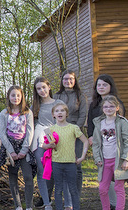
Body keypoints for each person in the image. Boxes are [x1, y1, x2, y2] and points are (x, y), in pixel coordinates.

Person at [86, 74, 127, 208]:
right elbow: (91, 125)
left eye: (105, 84)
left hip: (117, 155)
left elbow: (125, 138)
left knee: (117, 186)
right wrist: (91, 136)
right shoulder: (94, 107)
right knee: (103, 187)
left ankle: (116, 205)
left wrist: (127, 158)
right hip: (103, 155)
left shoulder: (120, 115)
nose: (101, 87)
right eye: (99, 85)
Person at [43, 101, 88, 210]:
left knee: (73, 189)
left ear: (66, 113)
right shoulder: (51, 129)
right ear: (53, 114)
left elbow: (85, 141)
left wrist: (82, 157)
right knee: (58, 189)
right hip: (56, 163)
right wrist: (49, 145)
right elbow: (44, 146)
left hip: (71, 163)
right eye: (57, 111)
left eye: (62, 110)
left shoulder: (73, 128)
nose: (60, 113)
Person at [52, 69, 87, 207]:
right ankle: (65, 201)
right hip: (59, 133)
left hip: (75, 132)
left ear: (75, 80)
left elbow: (83, 115)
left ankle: (75, 197)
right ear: (62, 81)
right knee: (61, 166)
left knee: (76, 165)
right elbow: (54, 113)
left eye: (71, 79)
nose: (68, 81)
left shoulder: (80, 95)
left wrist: (74, 131)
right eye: (65, 79)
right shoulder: (57, 95)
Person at [0, 85, 35, 210]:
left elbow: (30, 132)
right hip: (10, 147)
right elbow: (2, 133)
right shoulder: (4, 113)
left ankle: (29, 206)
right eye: (13, 95)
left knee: (28, 176)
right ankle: (18, 205)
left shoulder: (28, 113)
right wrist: (11, 151)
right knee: (13, 176)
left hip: (24, 146)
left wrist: (24, 150)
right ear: (8, 96)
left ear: (22, 97)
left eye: (18, 95)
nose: (16, 98)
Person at [31, 77, 65, 210]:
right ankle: (47, 203)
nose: (41, 90)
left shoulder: (58, 102)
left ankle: (63, 201)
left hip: (57, 136)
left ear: (49, 87)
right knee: (42, 169)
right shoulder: (35, 106)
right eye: (38, 88)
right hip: (40, 137)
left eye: (43, 87)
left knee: (57, 170)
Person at [91, 95, 128, 210]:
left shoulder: (122, 122)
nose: (109, 109)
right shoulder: (99, 123)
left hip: (118, 160)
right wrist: (97, 158)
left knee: (119, 188)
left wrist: (127, 159)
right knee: (103, 189)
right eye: (106, 107)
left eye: (112, 106)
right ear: (102, 108)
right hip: (104, 161)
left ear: (117, 108)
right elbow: (97, 143)